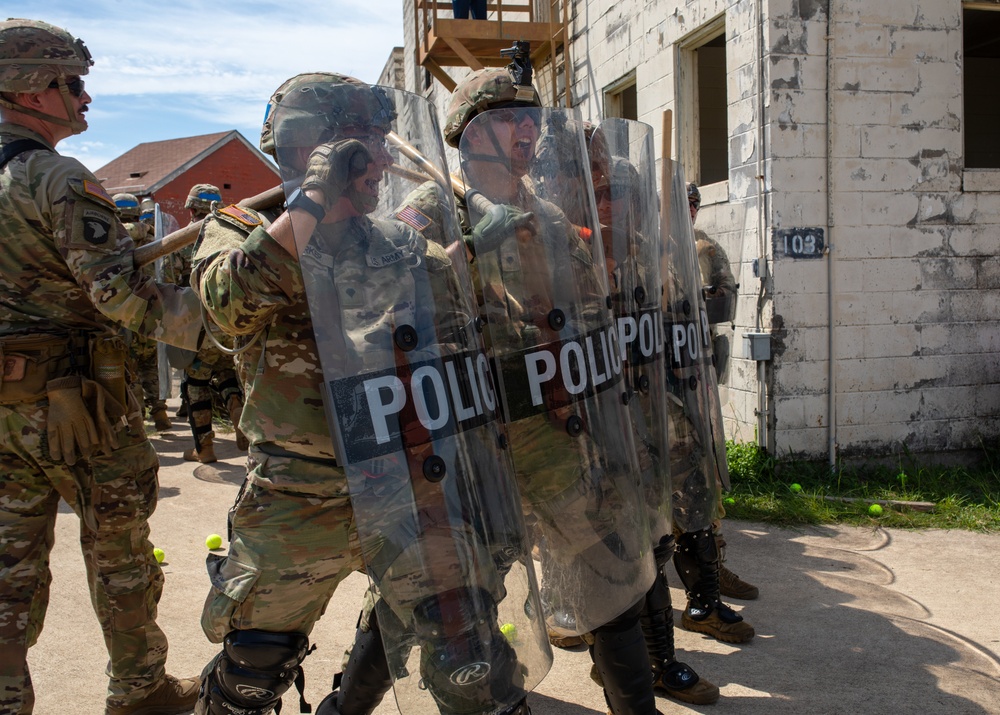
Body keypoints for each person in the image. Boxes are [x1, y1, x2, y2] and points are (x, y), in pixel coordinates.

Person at [189, 73, 544, 715]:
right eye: (364, 144)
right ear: (308, 148)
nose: (381, 159)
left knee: (472, 664)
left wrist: (487, 257)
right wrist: (316, 195)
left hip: (403, 486)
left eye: (383, 140)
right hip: (299, 494)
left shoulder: (395, 241)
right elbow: (228, 306)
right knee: (254, 668)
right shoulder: (240, 228)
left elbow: (458, 308)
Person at [426, 65, 662, 715]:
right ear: (470, 135)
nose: (526, 129)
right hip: (474, 443)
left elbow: (587, 318)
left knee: (611, 583)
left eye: (532, 117)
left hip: (555, 433)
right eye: (508, 118)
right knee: (458, 602)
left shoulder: (552, 218)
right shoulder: (435, 211)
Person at [0, 18, 202, 715]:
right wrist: (229, 310)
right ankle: (139, 689)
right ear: (31, 88)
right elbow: (126, 299)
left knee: (5, 567)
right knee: (119, 555)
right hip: (75, 405)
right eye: (73, 84)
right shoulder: (54, 178)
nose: (85, 99)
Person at [687, 182, 758, 602]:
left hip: (696, 371)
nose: (688, 211)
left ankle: (713, 568)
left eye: (692, 203)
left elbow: (724, 298)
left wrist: (706, 297)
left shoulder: (705, 249)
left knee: (704, 479)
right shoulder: (635, 246)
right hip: (648, 383)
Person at [168, 183, 248, 463]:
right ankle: (234, 404)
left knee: (196, 380)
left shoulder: (181, 241)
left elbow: (170, 284)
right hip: (227, 323)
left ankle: (204, 448)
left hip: (197, 325)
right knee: (226, 372)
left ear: (190, 208)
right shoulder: (227, 234)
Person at [113, 192, 173, 432]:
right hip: (153, 311)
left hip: (126, 313)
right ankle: (160, 413)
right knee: (151, 364)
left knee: (130, 368)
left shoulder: (114, 236)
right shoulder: (154, 235)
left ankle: (138, 418)